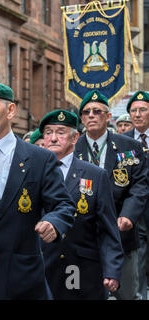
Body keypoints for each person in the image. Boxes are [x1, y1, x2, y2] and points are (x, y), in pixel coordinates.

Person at [0, 82, 76, 300]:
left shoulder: (39, 158)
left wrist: (54, 222)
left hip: (21, 281)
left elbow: (63, 205)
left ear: (11, 110)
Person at [39, 109, 123, 299]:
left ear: (75, 137)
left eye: (60, 132)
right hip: (40, 266)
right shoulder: (30, 171)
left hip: (79, 268)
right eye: (48, 132)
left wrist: (112, 270)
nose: (53, 138)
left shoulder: (94, 175)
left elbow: (107, 228)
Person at [74, 89, 148, 300]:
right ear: (81, 118)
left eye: (97, 111)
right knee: (83, 293)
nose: (91, 115)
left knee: (126, 294)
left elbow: (139, 185)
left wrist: (129, 216)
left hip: (120, 235)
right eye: (86, 112)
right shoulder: (73, 149)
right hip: (83, 239)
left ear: (108, 117)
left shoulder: (131, 147)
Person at [123, 90, 149, 299]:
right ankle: (139, 294)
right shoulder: (122, 141)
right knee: (138, 252)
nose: (137, 114)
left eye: (142, 110)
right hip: (135, 208)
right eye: (133, 111)